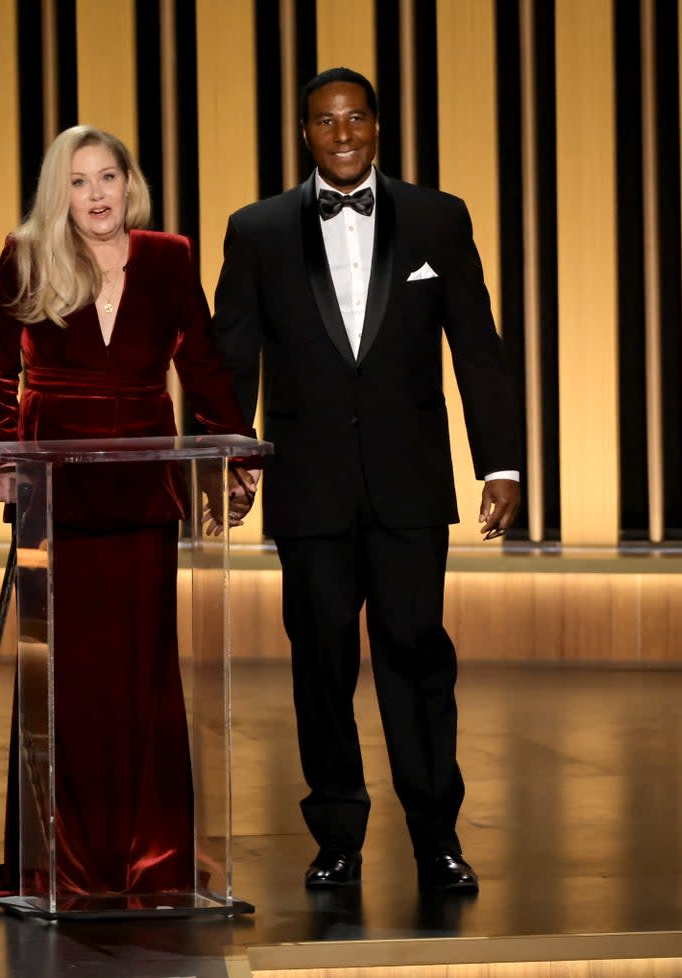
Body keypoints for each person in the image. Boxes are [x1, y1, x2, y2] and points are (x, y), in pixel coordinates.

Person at [0, 125, 255, 901]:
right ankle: (58, 858)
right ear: (56, 193)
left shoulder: (168, 256)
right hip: (55, 489)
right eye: (78, 182)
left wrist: (231, 451)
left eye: (108, 178)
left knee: (141, 672)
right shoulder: (27, 253)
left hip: (143, 485)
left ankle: (149, 855)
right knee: (63, 672)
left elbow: (199, 361)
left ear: (129, 184)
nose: (96, 195)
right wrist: (7, 455)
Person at [211, 68, 521, 894]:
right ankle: (337, 837)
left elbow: (477, 350)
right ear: (303, 133)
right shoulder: (258, 229)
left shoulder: (438, 218)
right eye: (324, 121)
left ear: (378, 127)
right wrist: (230, 461)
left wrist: (500, 462)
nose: (341, 134)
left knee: (418, 658)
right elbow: (229, 362)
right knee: (319, 664)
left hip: (410, 486)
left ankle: (435, 839)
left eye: (355, 119)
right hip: (307, 488)